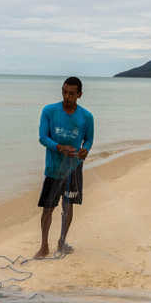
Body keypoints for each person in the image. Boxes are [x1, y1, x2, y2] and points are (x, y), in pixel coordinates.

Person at [35, 76, 94, 258]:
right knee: (48, 208)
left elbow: (89, 139)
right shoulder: (49, 111)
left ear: (79, 94)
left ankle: (61, 242)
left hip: (73, 169)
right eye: (64, 92)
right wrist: (59, 147)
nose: (67, 97)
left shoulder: (86, 116)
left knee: (68, 207)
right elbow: (43, 137)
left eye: (71, 94)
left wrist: (85, 150)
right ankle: (44, 245)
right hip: (54, 169)